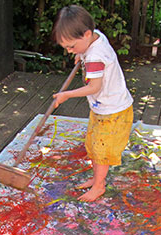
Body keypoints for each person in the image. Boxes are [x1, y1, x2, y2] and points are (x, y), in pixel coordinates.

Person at [52, 5, 134, 202]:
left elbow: (94, 87)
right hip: (102, 107)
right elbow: (89, 44)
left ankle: (99, 186)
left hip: (113, 110)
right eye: (67, 48)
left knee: (102, 150)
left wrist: (67, 94)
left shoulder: (96, 57)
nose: (70, 51)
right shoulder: (95, 36)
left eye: (71, 47)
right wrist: (81, 53)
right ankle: (98, 178)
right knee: (94, 144)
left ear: (86, 34)